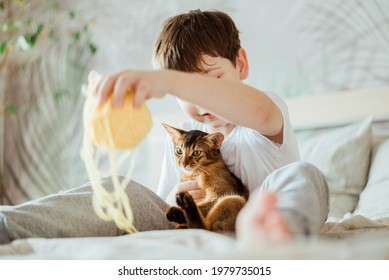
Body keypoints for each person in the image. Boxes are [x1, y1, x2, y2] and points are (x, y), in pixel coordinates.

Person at [0, 9, 328, 246]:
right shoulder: (183, 136)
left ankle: (275, 231)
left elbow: (251, 107)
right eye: (186, 92)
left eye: (211, 81)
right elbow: (161, 207)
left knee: (305, 175)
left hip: (262, 216)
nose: (202, 104)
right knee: (120, 191)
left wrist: (171, 81)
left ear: (240, 64)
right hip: (201, 223)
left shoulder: (264, 112)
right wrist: (177, 197)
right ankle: (10, 223)